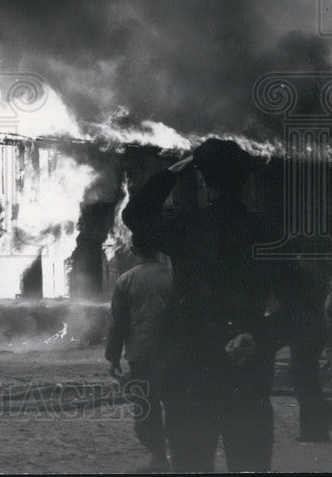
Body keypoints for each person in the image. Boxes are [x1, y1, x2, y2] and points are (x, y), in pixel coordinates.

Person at [121, 138, 276, 472]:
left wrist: (173, 172)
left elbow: (134, 214)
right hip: (247, 370)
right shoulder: (266, 230)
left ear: (205, 182)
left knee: (192, 464)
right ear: (244, 182)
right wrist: (258, 335)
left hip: (192, 370)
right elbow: (295, 304)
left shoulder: (188, 227)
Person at [105, 232, 172, 472]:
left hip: (141, 355)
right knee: (175, 405)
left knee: (146, 409)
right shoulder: (173, 276)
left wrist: (113, 356)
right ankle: (180, 457)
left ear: (134, 250)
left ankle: (159, 458)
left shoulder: (125, 280)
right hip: (173, 354)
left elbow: (118, 323)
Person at [273, 245, 332, 442]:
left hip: (303, 329)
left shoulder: (298, 268)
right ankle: (318, 425)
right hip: (315, 327)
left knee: (302, 379)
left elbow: (289, 302)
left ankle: (316, 427)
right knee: (308, 378)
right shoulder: (313, 268)